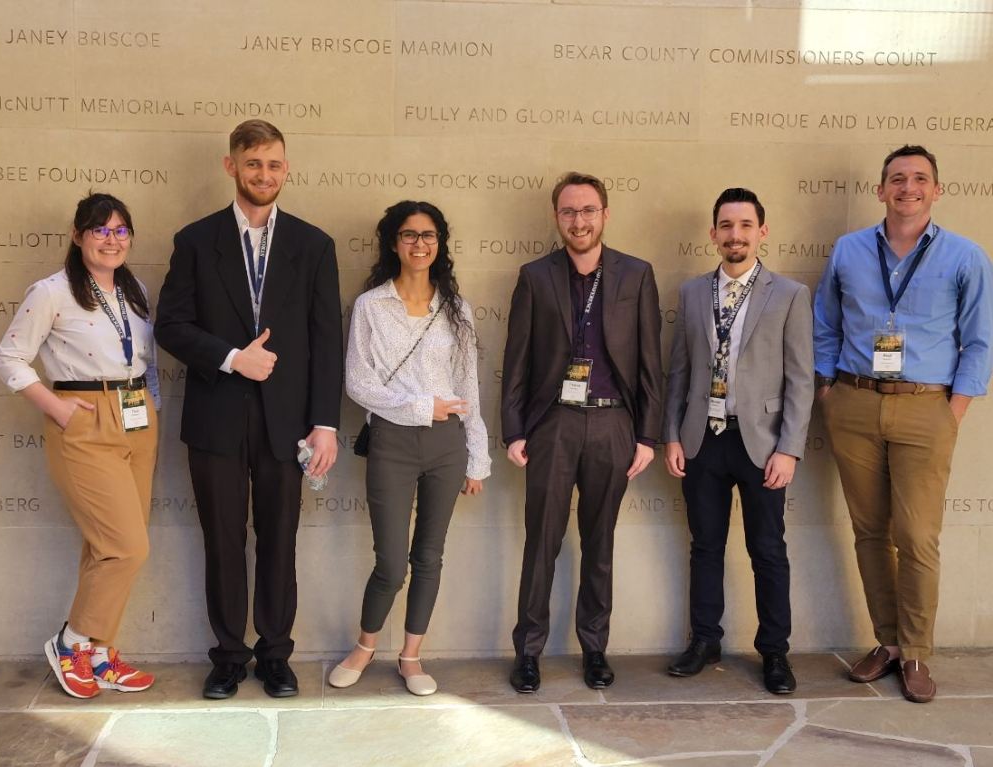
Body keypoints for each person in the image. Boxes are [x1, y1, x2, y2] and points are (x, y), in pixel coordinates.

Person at [155, 119, 342, 699]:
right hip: (216, 419)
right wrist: (233, 358)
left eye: (274, 164)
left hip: (289, 423)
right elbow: (170, 326)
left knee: (280, 538)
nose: (264, 174)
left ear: (287, 169)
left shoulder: (314, 245)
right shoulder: (195, 240)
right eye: (253, 163)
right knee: (222, 540)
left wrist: (326, 423)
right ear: (231, 165)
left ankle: (276, 654)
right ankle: (229, 656)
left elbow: (326, 341)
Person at [814, 145, 993, 703]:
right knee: (870, 531)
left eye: (919, 179)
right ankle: (888, 642)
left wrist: (952, 410)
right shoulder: (849, 250)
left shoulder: (965, 256)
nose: (907, 187)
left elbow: (980, 341)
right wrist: (827, 391)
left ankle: (917, 651)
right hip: (854, 401)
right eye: (897, 178)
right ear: (881, 190)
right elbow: (825, 324)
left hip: (925, 407)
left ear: (936, 190)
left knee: (916, 535)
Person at [501, 171, 663, 692]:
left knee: (600, 543)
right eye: (569, 211)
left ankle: (595, 648)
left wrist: (647, 436)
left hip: (614, 423)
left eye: (588, 210)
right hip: (553, 424)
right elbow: (517, 360)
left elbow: (650, 362)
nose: (579, 221)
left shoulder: (636, 274)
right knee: (541, 543)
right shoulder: (535, 276)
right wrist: (514, 431)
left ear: (605, 215)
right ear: (557, 217)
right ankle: (528, 652)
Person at [0, 192, 160, 698]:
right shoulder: (52, 292)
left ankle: (101, 654)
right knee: (127, 547)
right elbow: (9, 358)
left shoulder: (134, 290)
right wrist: (58, 407)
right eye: (99, 230)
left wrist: (151, 406)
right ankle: (71, 643)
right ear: (77, 235)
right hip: (84, 419)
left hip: (136, 418)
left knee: (105, 547)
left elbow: (146, 359)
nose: (111, 240)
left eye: (120, 230)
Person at [327, 201, 491, 696]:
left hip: (448, 445)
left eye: (429, 235)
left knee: (430, 556)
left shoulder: (456, 308)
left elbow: (469, 387)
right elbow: (358, 383)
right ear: (393, 243)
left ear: (439, 243)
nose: (420, 244)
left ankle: (411, 656)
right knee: (391, 563)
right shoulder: (371, 306)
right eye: (409, 235)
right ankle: (364, 647)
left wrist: (478, 457)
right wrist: (422, 406)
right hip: (392, 440)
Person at [663, 188, 813, 694]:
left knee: (767, 549)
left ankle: (774, 651)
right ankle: (705, 640)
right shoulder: (691, 293)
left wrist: (789, 448)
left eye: (746, 225)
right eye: (726, 226)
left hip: (763, 445)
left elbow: (801, 379)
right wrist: (672, 435)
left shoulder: (789, 294)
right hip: (702, 440)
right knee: (704, 546)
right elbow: (679, 371)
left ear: (762, 232)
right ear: (713, 234)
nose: (736, 235)